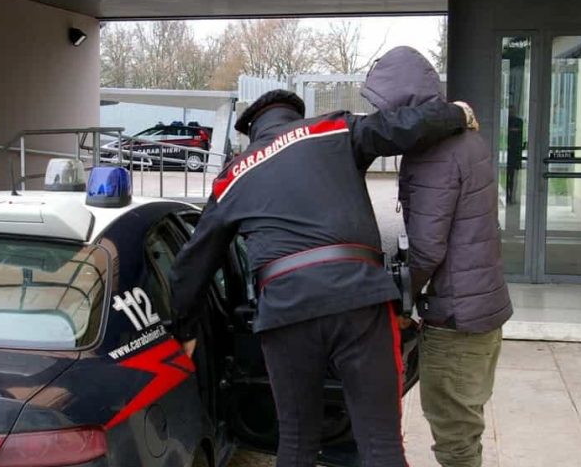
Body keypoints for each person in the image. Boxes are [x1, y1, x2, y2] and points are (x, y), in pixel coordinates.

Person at [169, 88, 478, 467]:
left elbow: (191, 265)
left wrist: (185, 330)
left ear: (252, 132)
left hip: (285, 314)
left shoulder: (232, 176)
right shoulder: (332, 130)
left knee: (297, 442)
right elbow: (398, 126)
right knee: (381, 443)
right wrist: (456, 113)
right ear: (295, 116)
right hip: (360, 301)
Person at [361, 46, 513, 467]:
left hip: (457, 319)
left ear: (403, 103)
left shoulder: (434, 152)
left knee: (454, 437)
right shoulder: (467, 138)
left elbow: (428, 248)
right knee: (467, 420)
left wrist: (400, 299)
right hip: (485, 306)